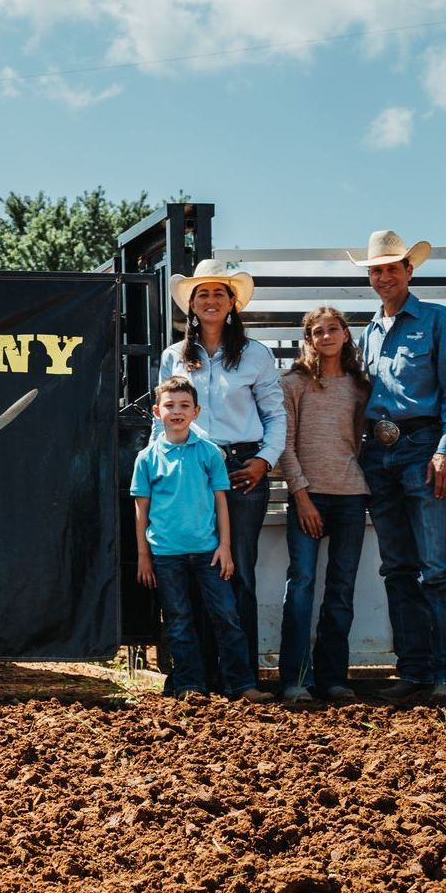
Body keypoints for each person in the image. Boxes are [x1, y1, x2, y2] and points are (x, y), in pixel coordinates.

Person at [351, 230, 446, 707]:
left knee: (439, 569)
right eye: (375, 270)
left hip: (425, 449)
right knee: (398, 568)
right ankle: (413, 672)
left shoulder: (440, 320)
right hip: (378, 454)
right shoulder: (369, 331)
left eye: (391, 268)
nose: (383, 277)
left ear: (409, 271)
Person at [158, 259, 285, 684]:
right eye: (202, 294)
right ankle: (197, 676)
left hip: (241, 469)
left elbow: (275, 414)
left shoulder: (256, 355)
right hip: (187, 470)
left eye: (218, 293)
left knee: (238, 569)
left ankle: (241, 676)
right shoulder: (174, 357)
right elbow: (161, 417)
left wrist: (265, 459)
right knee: (192, 567)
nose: (210, 301)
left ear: (232, 303)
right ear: (191, 305)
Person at [133, 377, 272, 702]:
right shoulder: (147, 459)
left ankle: (241, 684)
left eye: (184, 406)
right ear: (157, 411)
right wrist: (144, 555)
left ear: (196, 412)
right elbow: (141, 509)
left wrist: (224, 547)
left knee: (226, 615)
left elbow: (221, 502)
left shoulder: (209, 454)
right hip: (166, 556)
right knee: (179, 621)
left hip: (209, 552)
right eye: (169, 406)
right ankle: (190, 685)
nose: (176, 412)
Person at [277, 307, 369, 704]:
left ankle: (333, 678)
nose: (327, 336)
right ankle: (296, 680)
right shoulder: (294, 383)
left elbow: (364, 441)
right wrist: (301, 495)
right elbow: (284, 442)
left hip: (351, 496)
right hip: (308, 498)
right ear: (309, 339)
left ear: (346, 335)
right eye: (318, 331)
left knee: (341, 590)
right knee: (300, 586)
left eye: (334, 329)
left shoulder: (360, 386)